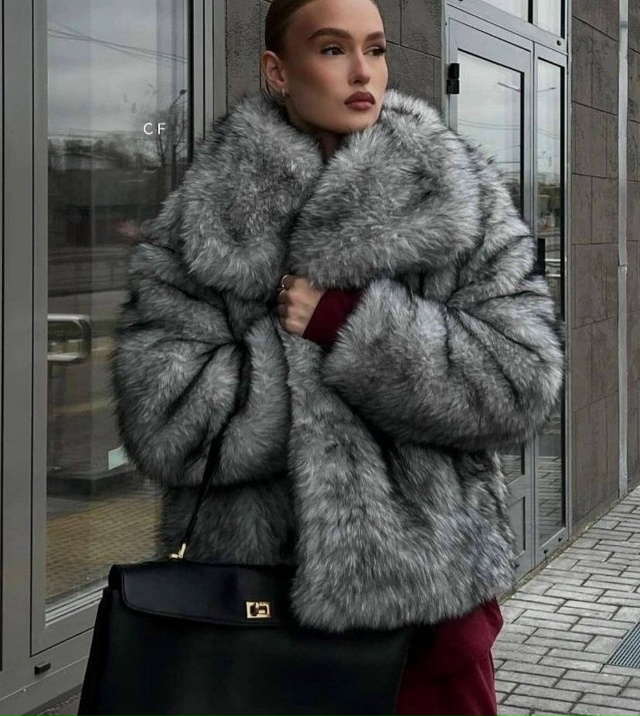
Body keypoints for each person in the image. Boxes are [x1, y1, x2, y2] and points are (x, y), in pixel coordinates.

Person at [110, 0, 565, 713]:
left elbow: (523, 382)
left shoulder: (457, 194)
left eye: (375, 49)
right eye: (331, 49)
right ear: (277, 71)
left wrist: (350, 325)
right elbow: (162, 422)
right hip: (250, 628)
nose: (363, 72)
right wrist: (287, 355)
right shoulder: (205, 220)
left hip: (428, 626)